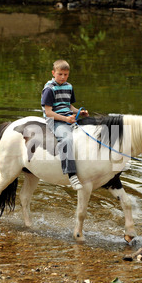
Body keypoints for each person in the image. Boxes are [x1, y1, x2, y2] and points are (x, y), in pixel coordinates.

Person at [41, 60, 89, 190]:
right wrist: (66, 119)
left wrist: (79, 112)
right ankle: (72, 174)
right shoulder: (49, 89)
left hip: (69, 117)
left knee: (94, 128)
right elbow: (48, 112)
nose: (63, 77)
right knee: (67, 139)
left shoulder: (69, 87)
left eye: (66, 74)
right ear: (53, 73)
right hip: (55, 120)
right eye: (60, 74)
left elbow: (69, 106)